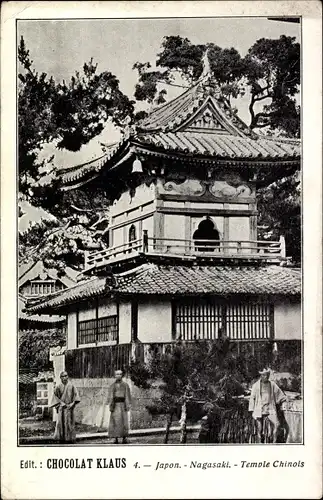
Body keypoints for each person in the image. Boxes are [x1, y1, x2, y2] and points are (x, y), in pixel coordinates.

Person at [248, 367, 286, 443]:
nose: (267, 376)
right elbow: (252, 398)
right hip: (259, 409)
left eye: (268, 375)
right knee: (259, 429)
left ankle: (274, 443)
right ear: (261, 376)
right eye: (265, 375)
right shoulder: (256, 386)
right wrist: (252, 410)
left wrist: (284, 399)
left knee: (277, 425)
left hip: (270, 408)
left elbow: (279, 394)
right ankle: (260, 444)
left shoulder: (272, 384)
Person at [49, 371, 80, 444]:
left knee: (69, 423)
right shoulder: (58, 386)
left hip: (70, 408)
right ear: (60, 378)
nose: (65, 378)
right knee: (61, 423)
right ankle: (60, 438)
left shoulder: (72, 386)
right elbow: (55, 397)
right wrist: (61, 404)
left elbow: (76, 396)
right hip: (61, 408)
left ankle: (70, 438)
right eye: (63, 376)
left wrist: (72, 404)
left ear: (68, 377)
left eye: (66, 376)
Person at [108, 369, 131, 444]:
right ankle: (116, 438)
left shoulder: (125, 385)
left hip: (123, 405)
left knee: (124, 422)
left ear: (122, 375)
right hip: (115, 406)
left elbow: (127, 395)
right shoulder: (112, 386)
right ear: (115, 376)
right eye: (117, 374)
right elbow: (110, 396)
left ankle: (124, 438)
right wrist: (111, 405)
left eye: (120, 374)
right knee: (115, 421)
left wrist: (127, 405)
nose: (118, 376)